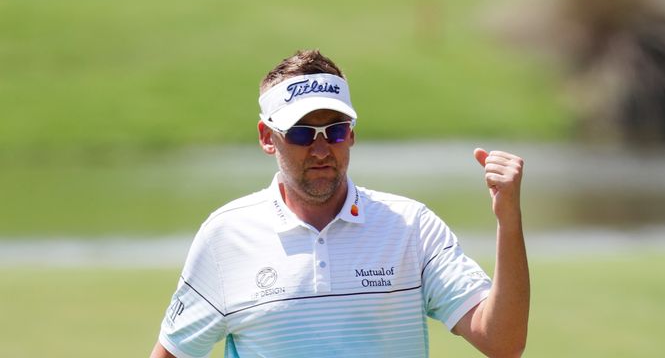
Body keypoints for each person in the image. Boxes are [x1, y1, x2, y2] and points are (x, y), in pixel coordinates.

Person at [150, 50, 529, 358]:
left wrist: (508, 222)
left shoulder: (411, 226)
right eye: (301, 133)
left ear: (352, 135)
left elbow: (501, 343)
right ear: (268, 138)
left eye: (335, 130)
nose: (320, 150)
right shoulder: (226, 236)